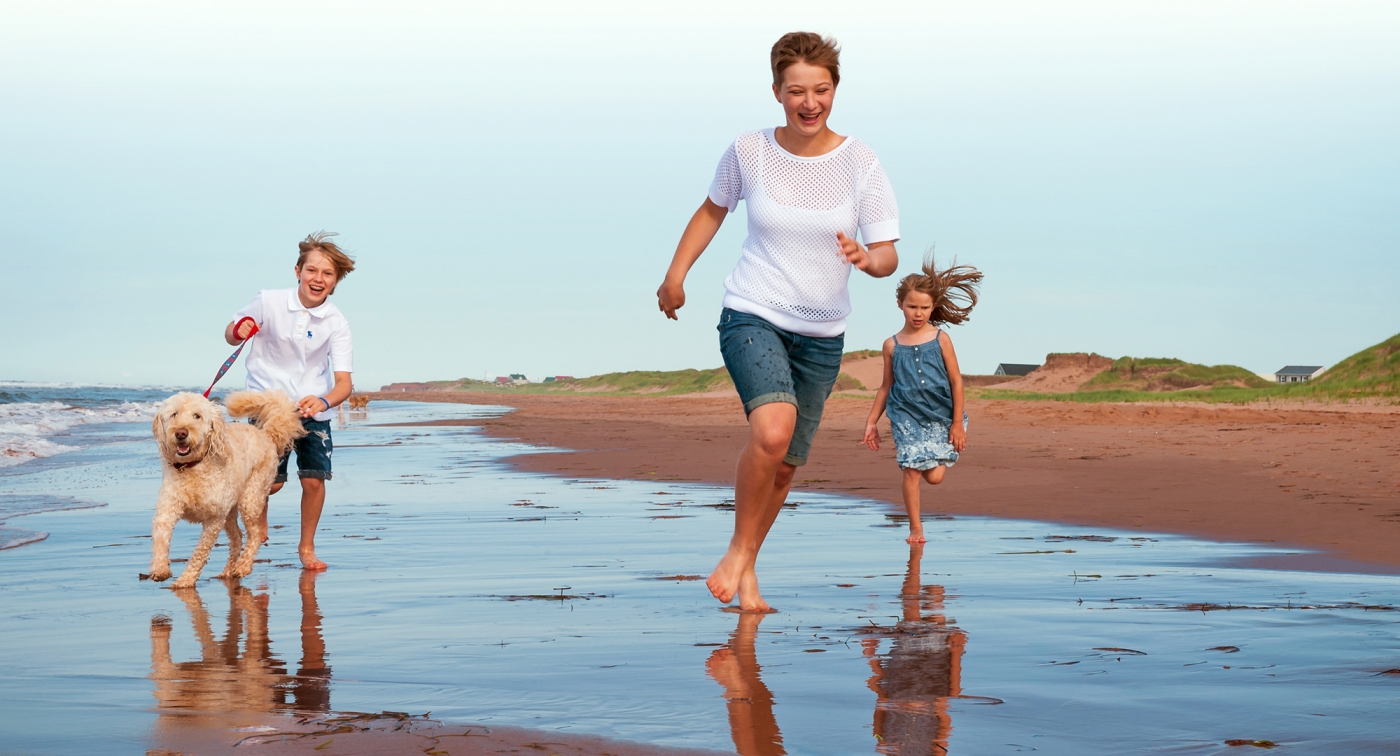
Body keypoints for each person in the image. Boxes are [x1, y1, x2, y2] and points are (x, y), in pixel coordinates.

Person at [657, 32, 900, 612]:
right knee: (772, 433)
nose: (809, 102)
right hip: (753, 312)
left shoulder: (860, 162)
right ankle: (739, 554)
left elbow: (887, 253)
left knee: (786, 469)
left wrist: (868, 260)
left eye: (821, 90)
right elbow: (712, 211)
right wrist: (675, 276)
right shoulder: (749, 151)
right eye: (797, 90)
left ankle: (747, 569)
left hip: (823, 334)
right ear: (777, 92)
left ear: (835, 90)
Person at [225, 232, 355, 570]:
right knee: (272, 482)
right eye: (312, 271)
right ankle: (257, 522)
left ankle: (307, 548)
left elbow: (344, 385)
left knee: (313, 479)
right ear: (298, 271)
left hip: (312, 410)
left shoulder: (336, 323)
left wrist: (324, 402)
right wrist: (239, 330)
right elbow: (230, 332)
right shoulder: (268, 301)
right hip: (267, 407)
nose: (318, 279)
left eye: (327, 274)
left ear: (335, 281)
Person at [862, 257, 981, 543]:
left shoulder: (941, 339)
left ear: (933, 307)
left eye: (925, 308)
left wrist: (956, 424)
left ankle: (935, 457)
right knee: (911, 469)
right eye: (912, 306)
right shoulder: (891, 345)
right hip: (906, 415)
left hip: (942, 413)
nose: (918, 313)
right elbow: (885, 386)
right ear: (900, 305)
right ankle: (916, 529)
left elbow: (956, 381)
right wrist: (871, 422)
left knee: (936, 476)